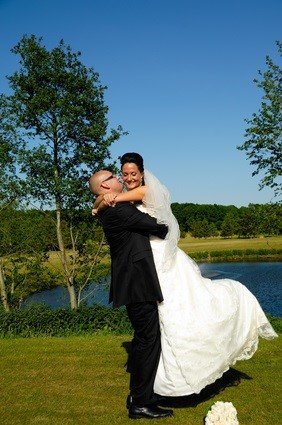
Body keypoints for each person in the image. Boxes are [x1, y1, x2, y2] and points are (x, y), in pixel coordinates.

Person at [93, 152, 278, 398]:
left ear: (142, 173)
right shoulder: (119, 205)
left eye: (132, 174)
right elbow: (136, 218)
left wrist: (104, 201)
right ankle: (154, 385)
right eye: (123, 174)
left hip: (156, 259)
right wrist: (101, 202)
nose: (127, 178)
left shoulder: (139, 193)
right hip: (146, 266)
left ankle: (154, 386)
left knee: (181, 309)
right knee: (160, 323)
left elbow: (134, 202)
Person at [88, 170, 173, 420]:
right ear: (105, 186)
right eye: (114, 176)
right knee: (148, 340)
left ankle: (141, 395)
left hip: (132, 283)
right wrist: (167, 221)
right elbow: (158, 229)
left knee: (143, 340)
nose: (119, 178)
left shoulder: (108, 208)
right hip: (137, 284)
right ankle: (140, 403)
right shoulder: (119, 210)